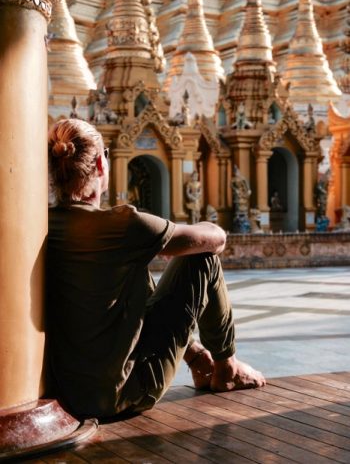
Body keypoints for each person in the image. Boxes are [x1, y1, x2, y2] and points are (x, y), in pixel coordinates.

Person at [47, 118, 265, 420]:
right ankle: (227, 368)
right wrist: (194, 227)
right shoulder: (124, 225)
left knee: (135, 269)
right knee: (201, 259)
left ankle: (199, 358)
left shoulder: (42, 224)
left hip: (64, 393)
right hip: (122, 393)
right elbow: (216, 240)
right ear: (100, 163)